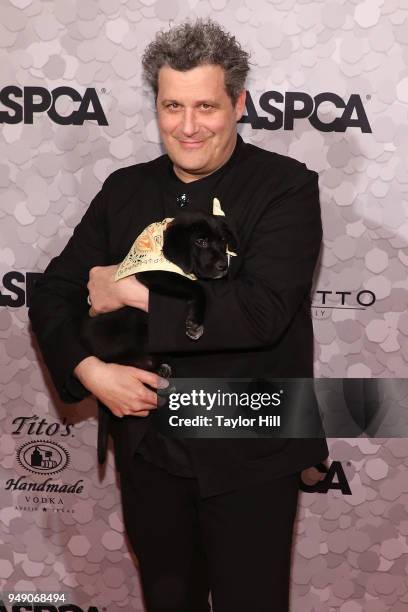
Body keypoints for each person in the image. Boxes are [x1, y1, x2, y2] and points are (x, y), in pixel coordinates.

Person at [29, 19, 328, 612]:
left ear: (239, 104)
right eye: (172, 106)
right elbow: (54, 290)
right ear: (157, 106)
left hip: (252, 441)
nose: (188, 126)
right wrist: (89, 371)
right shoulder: (124, 190)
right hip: (150, 447)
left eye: (206, 107)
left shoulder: (286, 188)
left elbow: (261, 314)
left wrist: (131, 290)